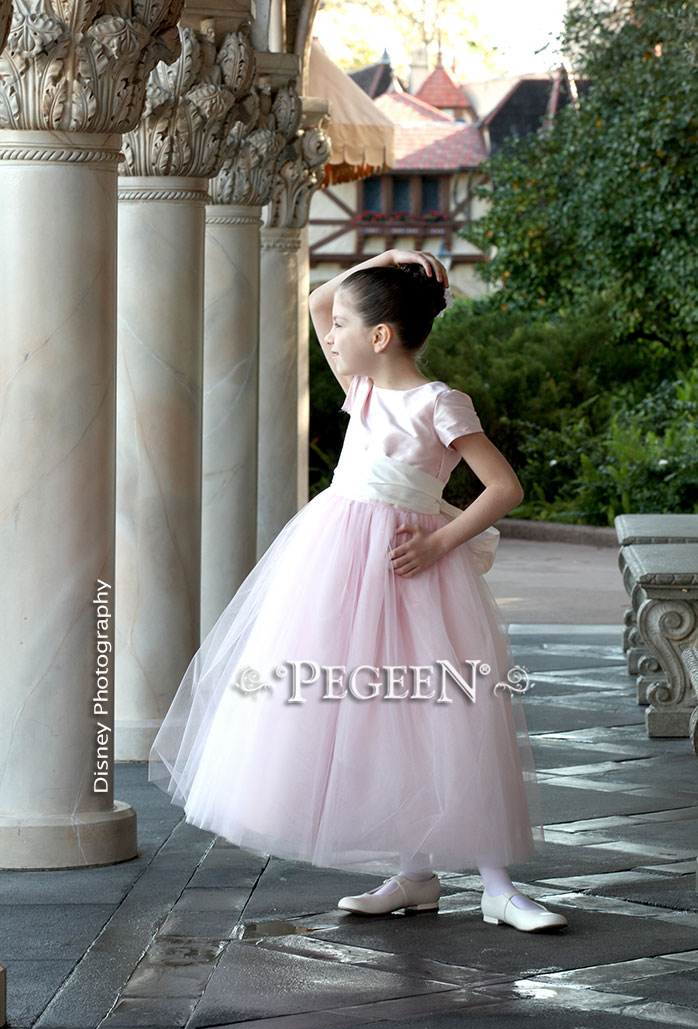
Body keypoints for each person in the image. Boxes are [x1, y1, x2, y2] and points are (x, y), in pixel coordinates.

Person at [148, 249, 567, 933]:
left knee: (442, 710)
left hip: (416, 571)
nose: (330, 333)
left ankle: (497, 886)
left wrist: (439, 541)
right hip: (338, 572)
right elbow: (318, 300)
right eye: (335, 326)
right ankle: (415, 875)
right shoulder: (364, 387)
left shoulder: (437, 402)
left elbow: (504, 487)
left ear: (380, 336)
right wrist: (387, 259)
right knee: (375, 714)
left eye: (345, 326)